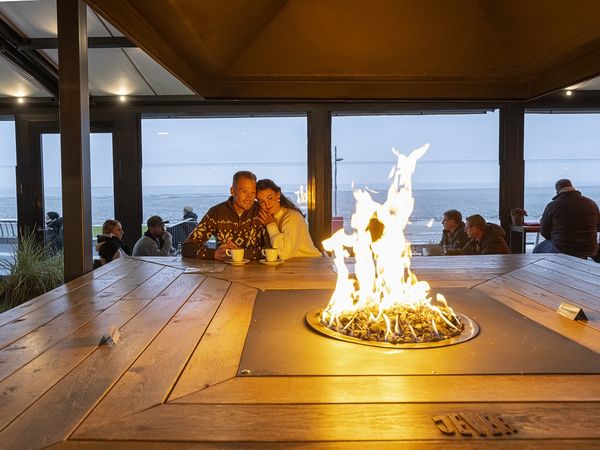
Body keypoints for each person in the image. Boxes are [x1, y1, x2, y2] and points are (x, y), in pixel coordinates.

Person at [182, 171, 265, 260]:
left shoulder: (261, 211)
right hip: (223, 271)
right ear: (232, 191)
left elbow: (273, 250)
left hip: (257, 272)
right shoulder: (216, 213)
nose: (249, 197)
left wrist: (238, 253)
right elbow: (187, 248)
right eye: (244, 191)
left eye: (253, 192)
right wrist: (215, 254)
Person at [256, 179, 321, 260]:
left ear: (278, 194)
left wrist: (271, 225)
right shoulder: (266, 219)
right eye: (261, 201)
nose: (267, 204)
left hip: (311, 264)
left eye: (270, 198)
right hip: (292, 266)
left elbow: (284, 253)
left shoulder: (292, 217)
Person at [533, 179, 600, 258]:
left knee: (537, 250)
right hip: (590, 248)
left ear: (557, 192)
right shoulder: (591, 203)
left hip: (563, 249)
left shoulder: (553, 205)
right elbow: (598, 227)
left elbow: (544, 232)